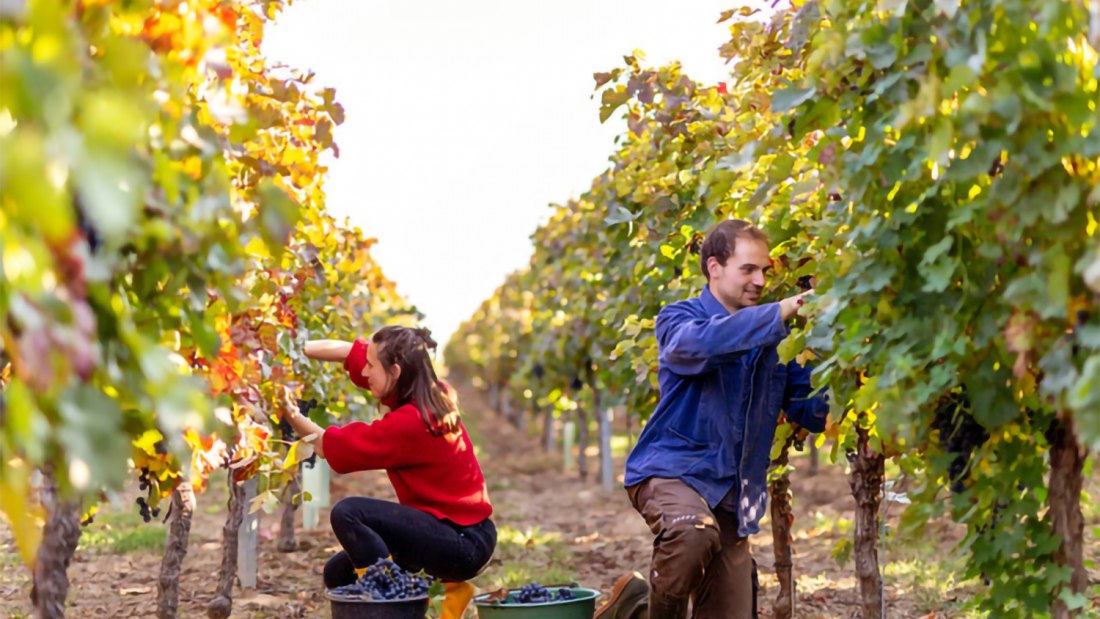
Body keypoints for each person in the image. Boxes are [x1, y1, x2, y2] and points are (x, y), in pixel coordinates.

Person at [595, 219, 828, 619]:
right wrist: (782, 312)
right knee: (691, 533)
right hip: (673, 474)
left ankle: (634, 609)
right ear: (714, 268)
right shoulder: (679, 318)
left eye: (765, 271)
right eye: (748, 269)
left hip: (734, 499)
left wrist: (837, 351)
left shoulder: (781, 338)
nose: (760, 280)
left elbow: (813, 412)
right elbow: (698, 347)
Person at [282, 326, 496, 619]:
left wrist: (288, 412)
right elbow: (349, 351)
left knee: (349, 512)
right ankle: (424, 594)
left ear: (395, 371)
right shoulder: (433, 391)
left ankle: (408, 600)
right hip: (457, 531)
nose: (365, 371)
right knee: (339, 574)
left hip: (461, 542)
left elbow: (326, 446)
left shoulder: (410, 424)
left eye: (371, 366)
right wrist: (289, 350)